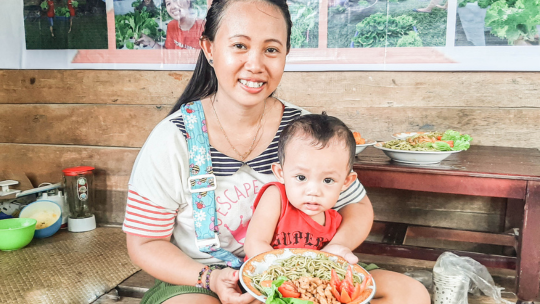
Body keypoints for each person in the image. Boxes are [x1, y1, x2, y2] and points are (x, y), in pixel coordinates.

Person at [124, 0, 431, 303]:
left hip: (305, 267)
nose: (255, 65)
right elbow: (145, 242)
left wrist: (331, 254)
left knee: (411, 294)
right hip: (205, 278)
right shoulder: (173, 139)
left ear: (285, 54)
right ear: (209, 49)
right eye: (239, 46)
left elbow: (358, 208)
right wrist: (211, 279)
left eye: (271, 49)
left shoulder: (304, 131)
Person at [244, 114, 364, 260]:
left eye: (328, 180)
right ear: (280, 173)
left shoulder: (335, 222)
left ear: (346, 182)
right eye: (301, 178)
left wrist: (339, 254)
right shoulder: (276, 198)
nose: (313, 191)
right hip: (266, 277)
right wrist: (282, 271)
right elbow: (254, 243)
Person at [136, 0, 204, 49]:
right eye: (168, 4)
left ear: (188, 1)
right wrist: (151, 42)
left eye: (175, 0)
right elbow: (168, 54)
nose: (173, 7)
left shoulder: (203, 27)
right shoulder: (171, 25)